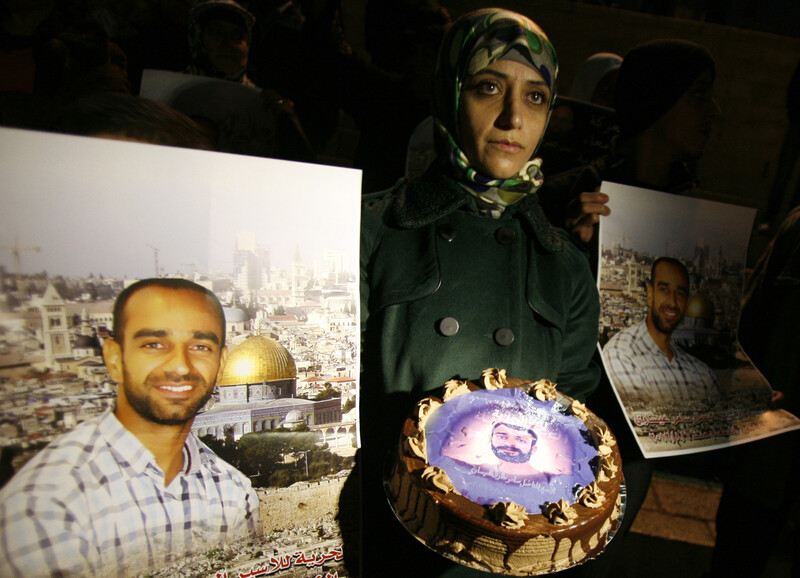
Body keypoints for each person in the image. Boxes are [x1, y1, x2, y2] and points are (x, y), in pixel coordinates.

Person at [360, 9, 599, 576]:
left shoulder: (562, 266)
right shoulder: (375, 232)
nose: (514, 117)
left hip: (506, 552)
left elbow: (574, 419)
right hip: (387, 536)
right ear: (448, 93)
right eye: (489, 87)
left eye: (536, 97)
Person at [0, 278, 260, 577]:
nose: (180, 366)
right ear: (113, 358)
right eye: (154, 345)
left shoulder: (233, 490)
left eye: (200, 346)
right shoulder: (45, 506)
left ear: (221, 363)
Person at [539, 38, 721, 244]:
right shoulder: (561, 199)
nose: (714, 110)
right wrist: (569, 251)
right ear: (658, 102)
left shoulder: (692, 219)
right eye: (699, 94)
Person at [602, 257, 720, 405]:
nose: (672, 302)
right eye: (664, 290)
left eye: (680, 294)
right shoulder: (621, 352)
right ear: (650, 293)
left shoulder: (702, 373)